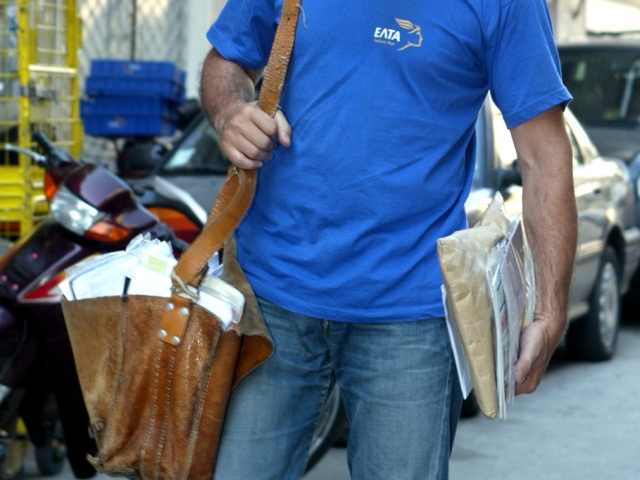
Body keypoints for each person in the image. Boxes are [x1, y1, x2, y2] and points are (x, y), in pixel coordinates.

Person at [200, 0, 577, 478]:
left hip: (410, 317)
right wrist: (231, 111)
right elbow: (227, 60)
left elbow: (543, 155)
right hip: (268, 300)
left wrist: (550, 312)